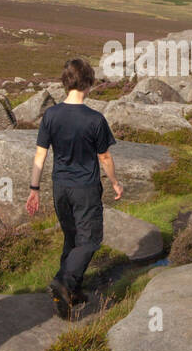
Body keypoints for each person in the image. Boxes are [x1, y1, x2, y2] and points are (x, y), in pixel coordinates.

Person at [25, 57, 123, 318]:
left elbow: (39, 155)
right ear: (89, 84)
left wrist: (34, 188)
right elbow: (105, 158)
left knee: (72, 239)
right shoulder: (95, 119)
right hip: (85, 188)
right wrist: (114, 182)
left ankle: (72, 295)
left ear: (65, 83)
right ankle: (63, 282)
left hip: (60, 187)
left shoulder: (51, 115)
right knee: (90, 241)